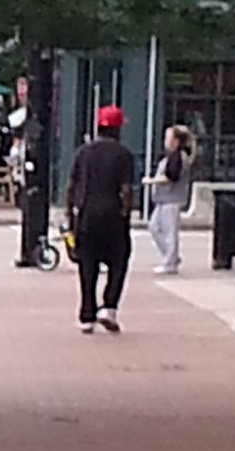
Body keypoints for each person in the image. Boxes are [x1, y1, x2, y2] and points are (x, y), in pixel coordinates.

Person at [64, 104, 136, 333]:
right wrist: (126, 214)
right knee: (119, 261)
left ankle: (87, 314)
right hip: (112, 215)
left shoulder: (83, 153)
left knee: (87, 266)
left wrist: (70, 216)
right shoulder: (123, 155)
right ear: (117, 129)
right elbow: (126, 190)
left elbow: (71, 186)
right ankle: (109, 306)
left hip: (86, 215)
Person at [148, 123, 195, 275]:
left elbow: (171, 176)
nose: (165, 141)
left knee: (169, 232)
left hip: (172, 199)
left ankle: (170, 262)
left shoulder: (178, 157)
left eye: (168, 138)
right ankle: (171, 256)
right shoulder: (172, 156)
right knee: (154, 226)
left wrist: (152, 181)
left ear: (176, 141)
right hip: (164, 198)